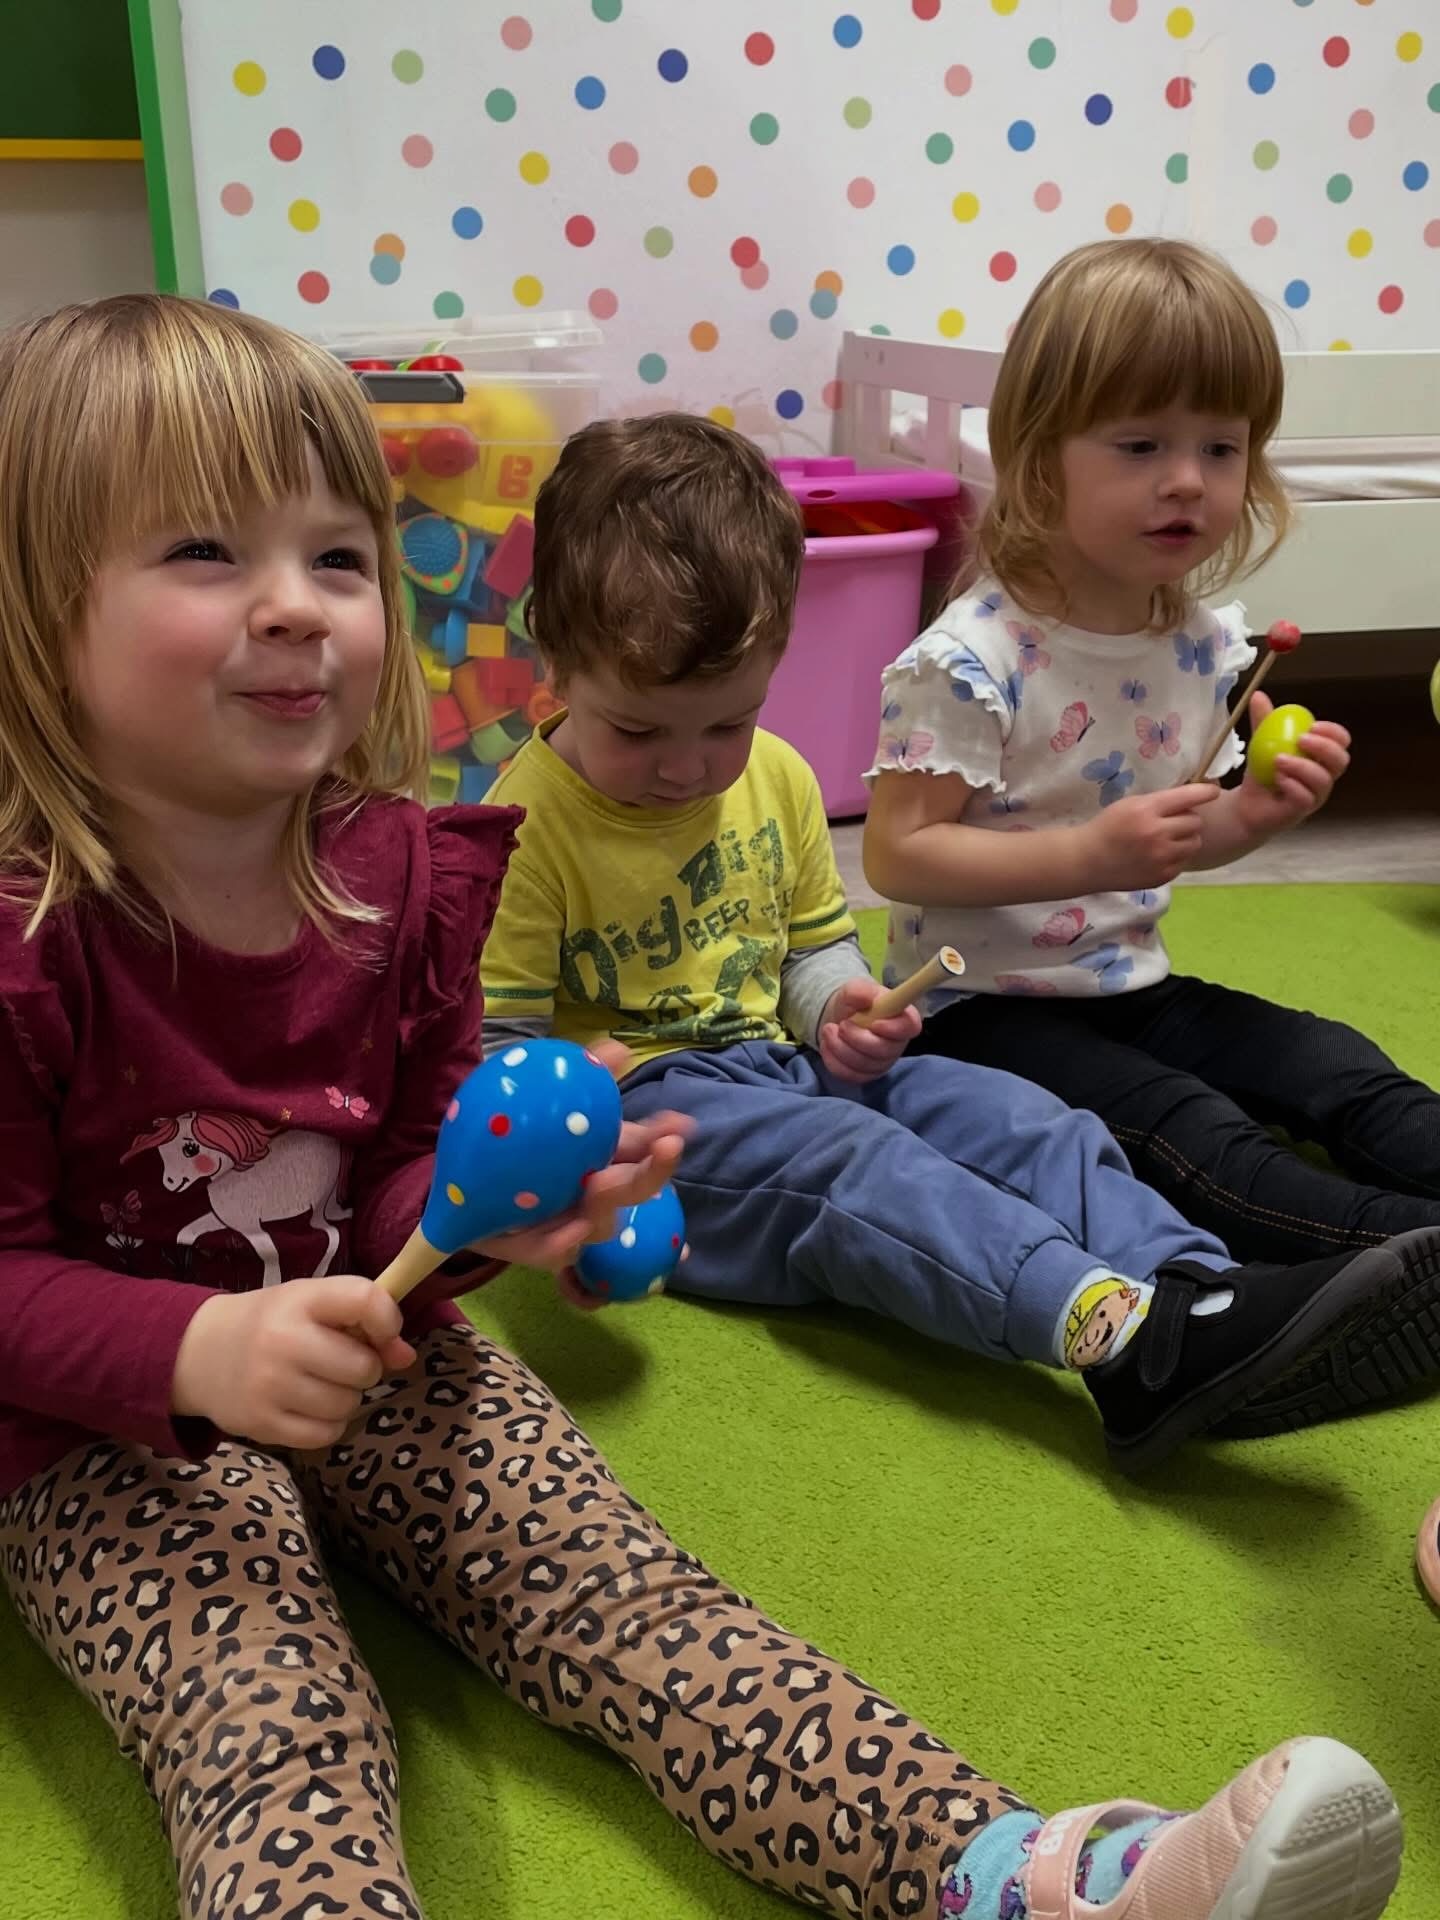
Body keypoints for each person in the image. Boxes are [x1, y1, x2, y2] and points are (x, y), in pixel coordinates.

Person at [0, 296, 1397, 1920]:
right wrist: (196, 1352)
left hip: (378, 1352)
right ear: (40, 608)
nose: (296, 606)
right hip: (100, 1440)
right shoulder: (27, 948)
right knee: (270, 1719)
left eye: (336, 556)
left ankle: (1018, 1880)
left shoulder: (408, 877)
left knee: (638, 1603)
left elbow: (398, 1171)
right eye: (203, 552)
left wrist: (495, 1220)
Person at [478, 408, 1438, 1484]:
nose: (687, 767)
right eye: (639, 730)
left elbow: (812, 949)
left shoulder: (778, 777)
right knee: (862, 1166)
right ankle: (1119, 1339)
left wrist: (838, 1007)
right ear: (553, 658)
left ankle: (1204, 1300)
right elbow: (496, 1055)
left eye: (726, 724)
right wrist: (579, 1144)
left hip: (783, 1065)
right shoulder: (520, 830)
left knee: (1026, 1119)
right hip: (651, 1117)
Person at [861, 236, 1440, 1441]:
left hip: (1128, 981)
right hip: (978, 1013)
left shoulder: (1204, 645)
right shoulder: (968, 659)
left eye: (1220, 448)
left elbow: (1180, 839)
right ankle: (1401, 1262)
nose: (1187, 481)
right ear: (1038, 460)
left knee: (1327, 1062)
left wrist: (1252, 815)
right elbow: (900, 858)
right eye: (1140, 447)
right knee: (1189, 1132)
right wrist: (1091, 854)